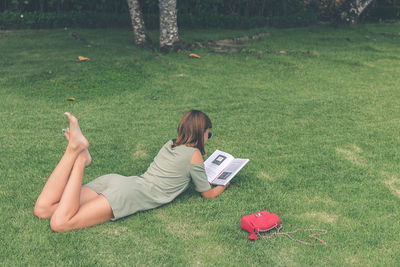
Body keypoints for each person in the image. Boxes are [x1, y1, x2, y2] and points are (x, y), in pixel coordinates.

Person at [34, 110, 229, 232]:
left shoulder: (170, 144)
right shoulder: (194, 155)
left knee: (43, 209)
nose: (208, 137)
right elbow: (207, 194)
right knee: (60, 223)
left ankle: (74, 152)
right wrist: (224, 184)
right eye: (208, 134)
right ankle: (79, 159)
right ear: (200, 133)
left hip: (118, 181)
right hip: (128, 194)